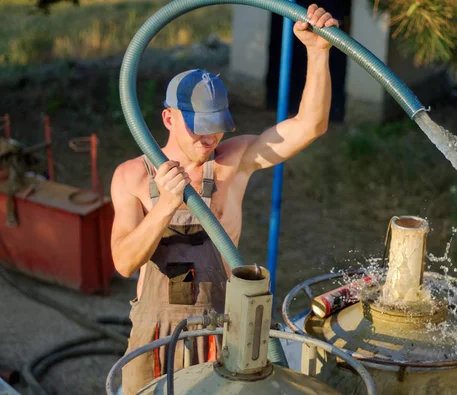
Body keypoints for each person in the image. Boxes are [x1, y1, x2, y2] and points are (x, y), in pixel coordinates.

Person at [110, 4, 339, 393]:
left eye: (216, 129)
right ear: (169, 119)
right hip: (153, 336)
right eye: (199, 129)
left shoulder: (234, 163)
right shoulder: (132, 176)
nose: (209, 140)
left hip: (222, 329)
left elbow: (310, 125)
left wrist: (317, 54)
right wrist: (164, 205)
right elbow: (124, 262)